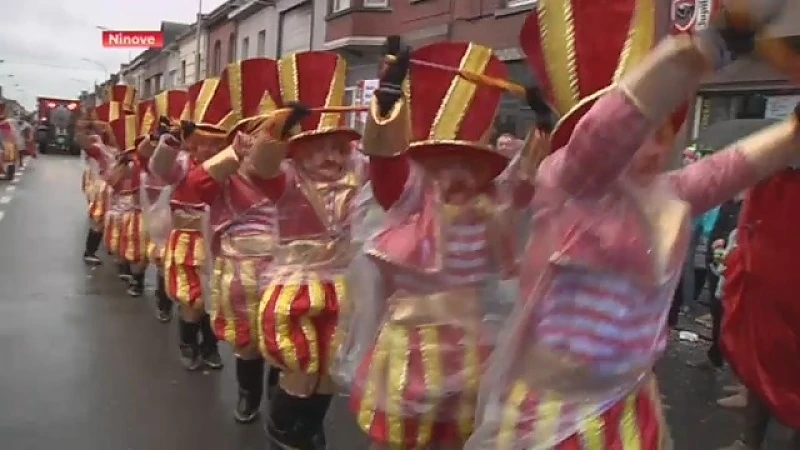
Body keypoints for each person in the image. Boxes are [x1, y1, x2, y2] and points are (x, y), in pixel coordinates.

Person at [463, 0, 800, 448]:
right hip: (554, 412)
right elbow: (612, 125)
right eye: (646, 129)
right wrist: (703, 50)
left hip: (626, 405)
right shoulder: (576, 182)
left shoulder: (668, 195)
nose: (658, 143)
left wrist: (793, 131)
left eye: (665, 131)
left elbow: (731, 169)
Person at [333, 41, 539, 450]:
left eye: (467, 162)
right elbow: (385, 161)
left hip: (470, 347)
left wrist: (545, 126)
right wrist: (387, 103)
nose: (456, 175)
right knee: (397, 439)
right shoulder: (408, 205)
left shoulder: (495, 209)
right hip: (410, 346)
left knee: (453, 439)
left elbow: (531, 179)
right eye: (443, 163)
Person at [244, 50, 367, 450]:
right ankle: (283, 431)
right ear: (296, 151)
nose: (333, 156)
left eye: (339, 146)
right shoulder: (284, 180)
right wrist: (280, 126)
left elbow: (393, 164)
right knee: (300, 366)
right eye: (320, 146)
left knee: (331, 369)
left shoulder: (357, 177)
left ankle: (307, 428)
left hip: (342, 288)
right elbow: (260, 165)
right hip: (293, 289)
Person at [149, 77, 232, 371]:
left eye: (216, 143)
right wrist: (169, 141)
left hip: (219, 244)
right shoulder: (183, 165)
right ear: (193, 145)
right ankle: (188, 344)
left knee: (216, 301)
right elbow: (158, 168)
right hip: (187, 241)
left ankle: (210, 347)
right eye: (203, 143)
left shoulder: (231, 170)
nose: (208, 149)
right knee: (192, 301)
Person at [721, 167, 800, 449]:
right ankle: (749, 440)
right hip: (772, 288)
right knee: (765, 359)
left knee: (769, 359)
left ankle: (753, 441)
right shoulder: (774, 177)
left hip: (776, 284)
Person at [138, 89, 188, 322]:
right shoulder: (172, 151)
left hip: (203, 219)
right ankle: (163, 301)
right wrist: (160, 138)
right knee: (163, 260)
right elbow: (146, 157)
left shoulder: (199, 153)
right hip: (166, 210)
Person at [78, 103, 119, 265]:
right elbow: (85, 145)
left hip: (120, 190)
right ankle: (90, 252)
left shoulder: (123, 149)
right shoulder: (98, 146)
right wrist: (82, 128)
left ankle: (115, 250)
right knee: (99, 221)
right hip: (104, 188)